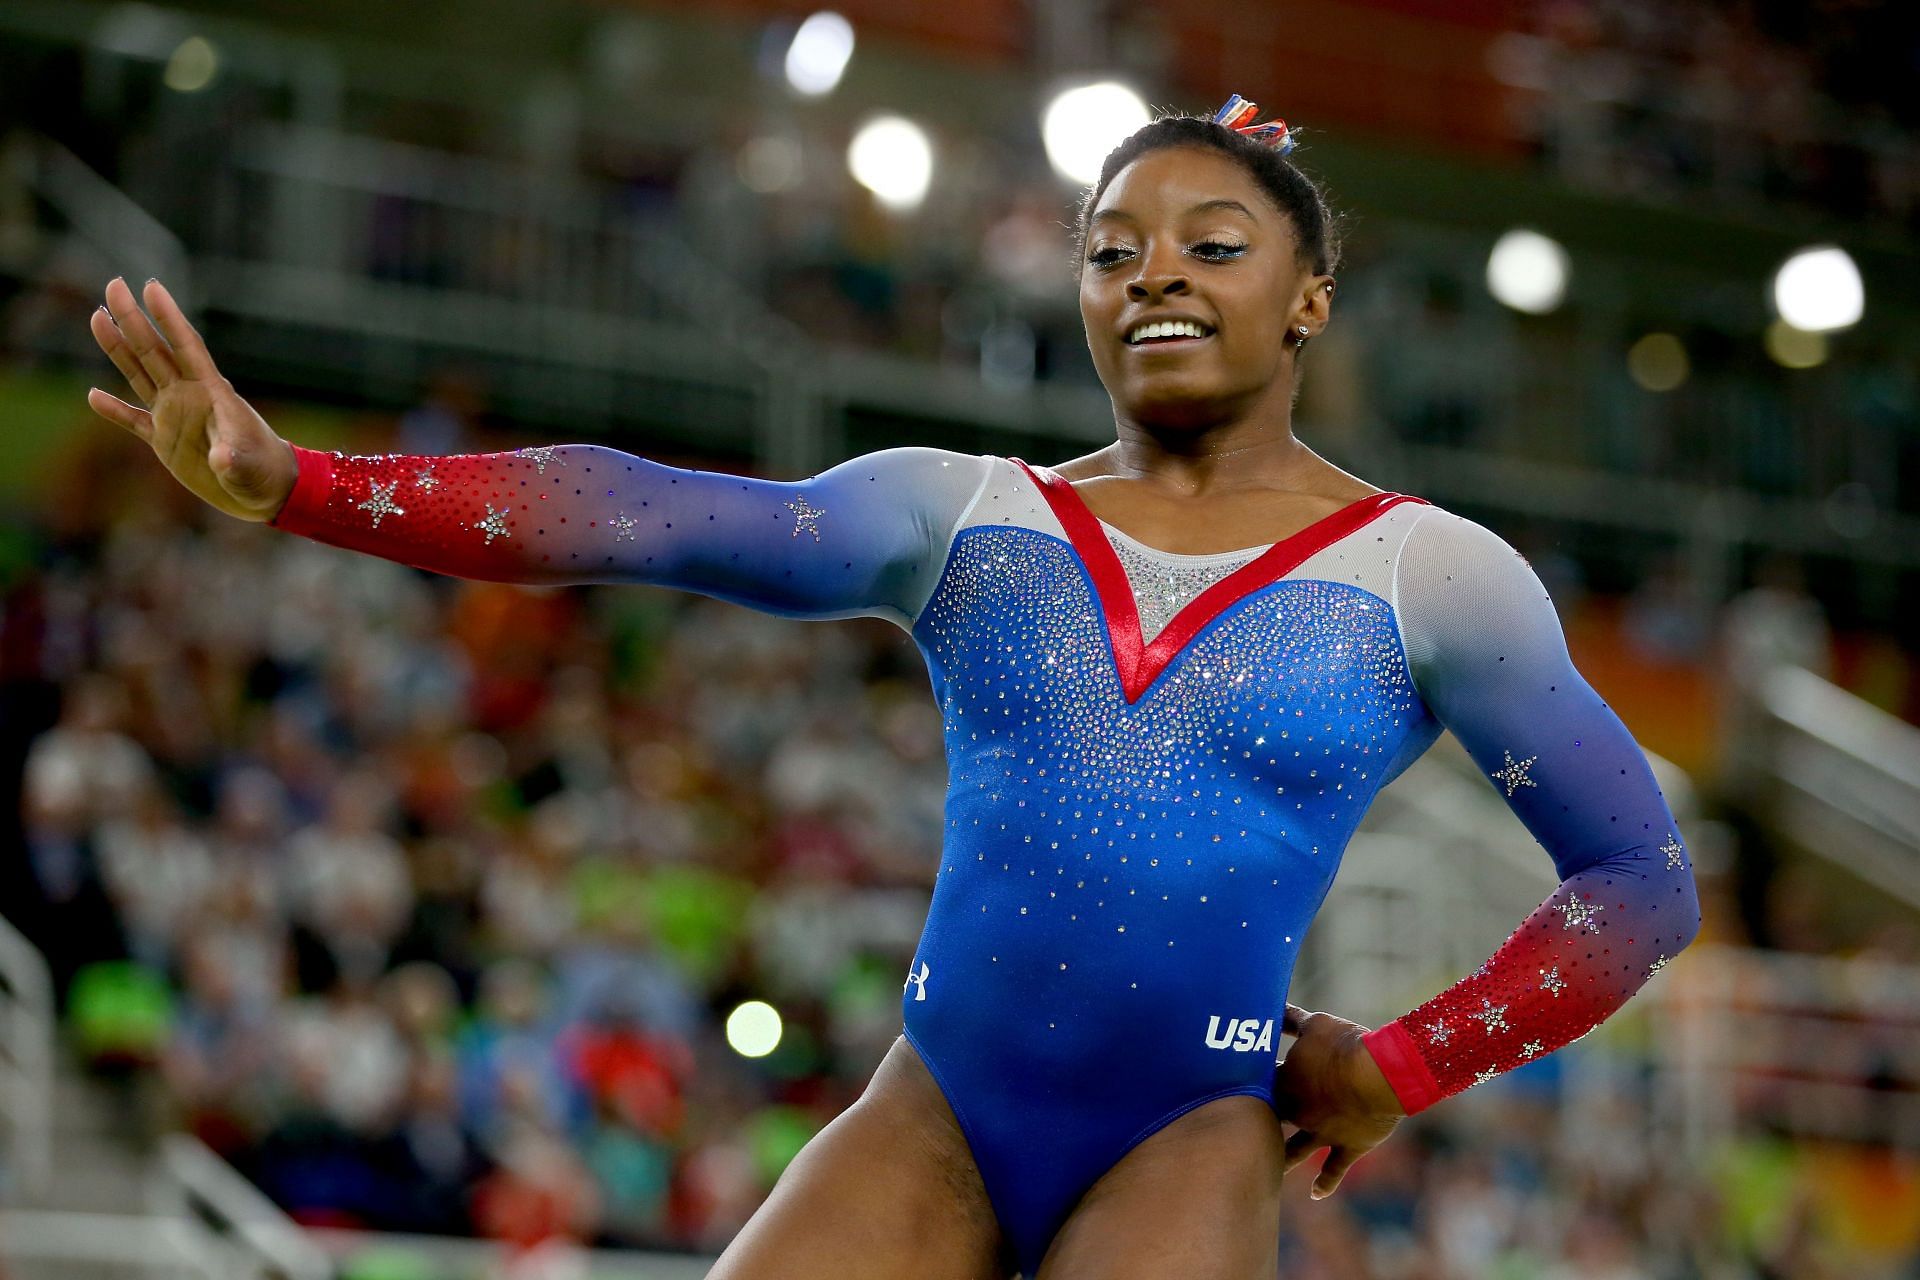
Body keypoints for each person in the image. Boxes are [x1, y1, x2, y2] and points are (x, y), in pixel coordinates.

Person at [86, 94, 1699, 1280]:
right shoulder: (968, 515)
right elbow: (632, 511)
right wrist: (300, 484)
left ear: (1310, 301)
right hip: (934, 1114)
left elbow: (1638, 879)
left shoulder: (1429, 574)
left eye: (1215, 245)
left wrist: (1414, 1063)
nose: (1156, 277)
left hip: (1185, 1136)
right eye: (1111, 251)